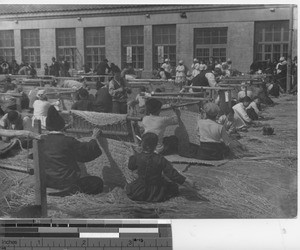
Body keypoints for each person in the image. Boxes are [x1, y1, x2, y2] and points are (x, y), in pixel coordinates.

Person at [42, 106, 103, 197]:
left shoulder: (41, 140)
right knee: (97, 182)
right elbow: (86, 151)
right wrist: (94, 137)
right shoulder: (68, 141)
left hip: (47, 184)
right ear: (62, 125)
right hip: (65, 186)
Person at [125, 132, 195, 202]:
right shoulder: (160, 159)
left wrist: (134, 155)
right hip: (156, 191)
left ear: (142, 144)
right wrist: (185, 180)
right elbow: (172, 174)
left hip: (139, 190)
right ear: (155, 145)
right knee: (174, 187)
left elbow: (131, 167)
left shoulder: (137, 157)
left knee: (129, 187)